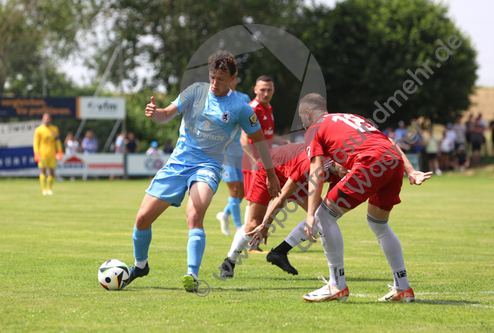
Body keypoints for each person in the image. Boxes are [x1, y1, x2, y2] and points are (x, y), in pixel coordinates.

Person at [126, 50, 281, 293]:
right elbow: (167, 113)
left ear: (233, 79)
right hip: (177, 164)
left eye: (221, 78)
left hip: (207, 167)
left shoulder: (241, 108)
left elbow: (260, 142)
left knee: (194, 214)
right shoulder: (195, 92)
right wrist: (155, 114)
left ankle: (192, 274)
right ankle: (140, 266)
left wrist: (271, 175)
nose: (215, 83)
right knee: (142, 219)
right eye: (212, 77)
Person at [290, 93, 431, 303]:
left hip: (370, 162)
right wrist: (410, 171)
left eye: (302, 118)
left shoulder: (315, 128)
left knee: (323, 218)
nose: (302, 123)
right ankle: (402, 287)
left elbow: (317, 170)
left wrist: (311, 214)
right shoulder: (352, 118)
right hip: (393, 160)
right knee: (379, 224)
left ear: (308, 113)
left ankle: (336, 285)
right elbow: (389, 141)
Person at [218, 141, 345, 278]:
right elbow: (280, 199)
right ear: (337, 161)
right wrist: (266, 225)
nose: (350, 171)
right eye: (348, 167)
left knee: (321, 216)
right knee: (254, 225)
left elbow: (328, 205)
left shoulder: (340, 169)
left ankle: (279, 252)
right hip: (271, 170)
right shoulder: (312, 165)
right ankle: (229, 262)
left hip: (294, 175)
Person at [241, 75, 289, 252]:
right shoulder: (253, 109)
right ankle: (249, 241)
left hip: (266, 163)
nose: (266, 93)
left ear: (273, 90)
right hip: (253, 163)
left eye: (269, 90)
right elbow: (244, 139)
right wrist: (255, 162)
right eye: (262, 89)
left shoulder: (268, 108)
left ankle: (252, 240)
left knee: (262, 202)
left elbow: (265, 135)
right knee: (253, 203)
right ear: (255, 89)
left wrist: (279, 142)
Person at [216, 74, 251, 236]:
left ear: (236, 80)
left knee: (243, 190)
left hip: (242, 150)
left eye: (233, 78)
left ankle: (224, 214)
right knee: (235, 189)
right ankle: (239, 227)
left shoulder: (244, 98)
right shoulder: (219, 99)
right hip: (226, 152)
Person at [33, 113, 63, 195]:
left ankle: (49, 189)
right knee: (43, 171)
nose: (47, 119)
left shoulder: (55, 129)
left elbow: (57, 141)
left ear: (51, 119)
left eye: (48, 118)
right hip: (43, 154)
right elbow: (36, 142)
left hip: (52, 154)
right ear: (42, 119)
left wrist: (60, 151)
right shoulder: (39, 130)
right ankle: (44, 189)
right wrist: (36, 153)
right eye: (45, 118)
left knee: (52, 172)